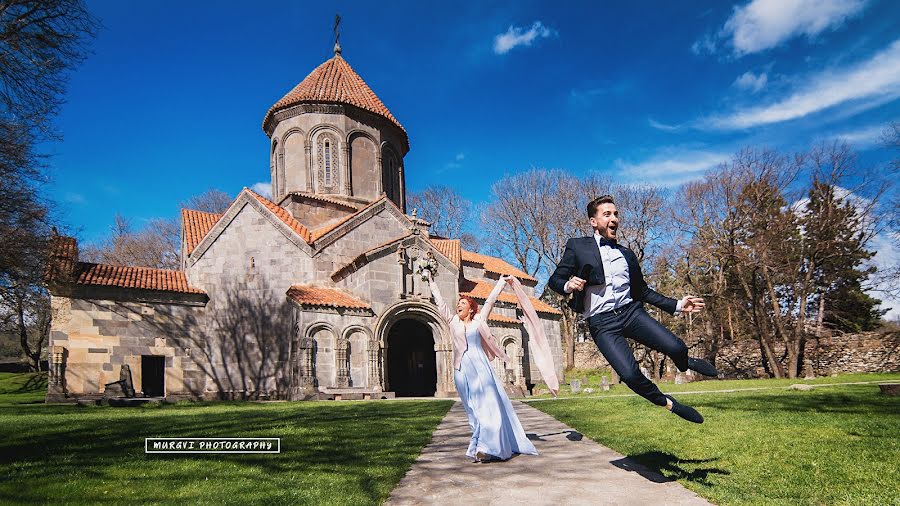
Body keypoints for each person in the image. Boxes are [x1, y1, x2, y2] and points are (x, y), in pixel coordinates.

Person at [548, 195, 719, 423]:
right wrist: (568, 285)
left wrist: (677, 305)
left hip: (631, 313)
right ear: (593, 221)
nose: (614, 218)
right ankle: (668, 403)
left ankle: (686, 362)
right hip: (602, 323)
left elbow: (643, 292)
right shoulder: (578, 246)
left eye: (616, 214)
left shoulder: (626, 254)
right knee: (629, 374)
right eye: (607, 214)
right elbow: (555, 280)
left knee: (676, 346)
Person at [426, 270, 538, 462]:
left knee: (488, 406)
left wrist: (501, 284)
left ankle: (490, 448)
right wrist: (430, 280)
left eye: (462, 304)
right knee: (472, 409)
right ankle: (479, 443)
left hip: (481, 368)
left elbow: (490, 302)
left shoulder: (479, 320)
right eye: (458, 304)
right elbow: (440, 303)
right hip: (461, 370)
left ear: (471, 309)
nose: (458, 306)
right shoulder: (452, 322)